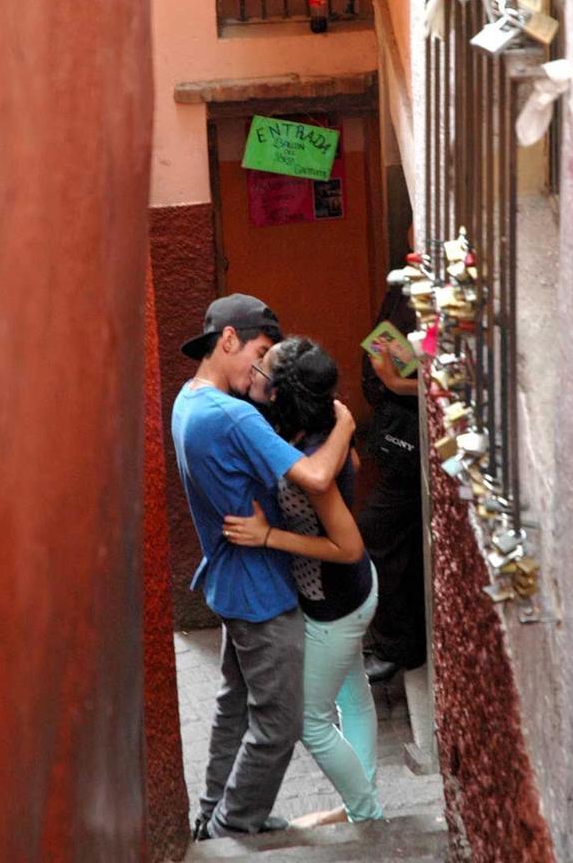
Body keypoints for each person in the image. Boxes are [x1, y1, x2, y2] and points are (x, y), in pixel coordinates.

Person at [171, 295, 355, 841]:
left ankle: (211, 815)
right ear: (227, 339)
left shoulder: (189, 400)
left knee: (234, 706)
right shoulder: (234, 414)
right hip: (260, 592)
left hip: (230, 582)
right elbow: (318, 478)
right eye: (260, 351)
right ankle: (235, 825)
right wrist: (345, 424)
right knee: (278, 724)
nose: (261, 367)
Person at [223, 337, 383, 827]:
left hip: (337, 604)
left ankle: (366, 813)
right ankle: (362, 800)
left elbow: (348, 545)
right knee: (352, 692)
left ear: (282, 394)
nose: (255, 374)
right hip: (354, 592)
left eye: (264, 374)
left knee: (312, 723)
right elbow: (351, 462)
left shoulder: (314, 462)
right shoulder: (320, 427)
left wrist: (269, 535)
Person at [358, 278, 427, 683]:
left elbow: (422, 376)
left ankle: (397, 645)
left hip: (409, 432)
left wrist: (396, 383)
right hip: (396, 429)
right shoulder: (404, 283)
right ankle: (395, 642)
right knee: (395, 537)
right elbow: (383, 344)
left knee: (378, 530)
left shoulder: (419, 286)